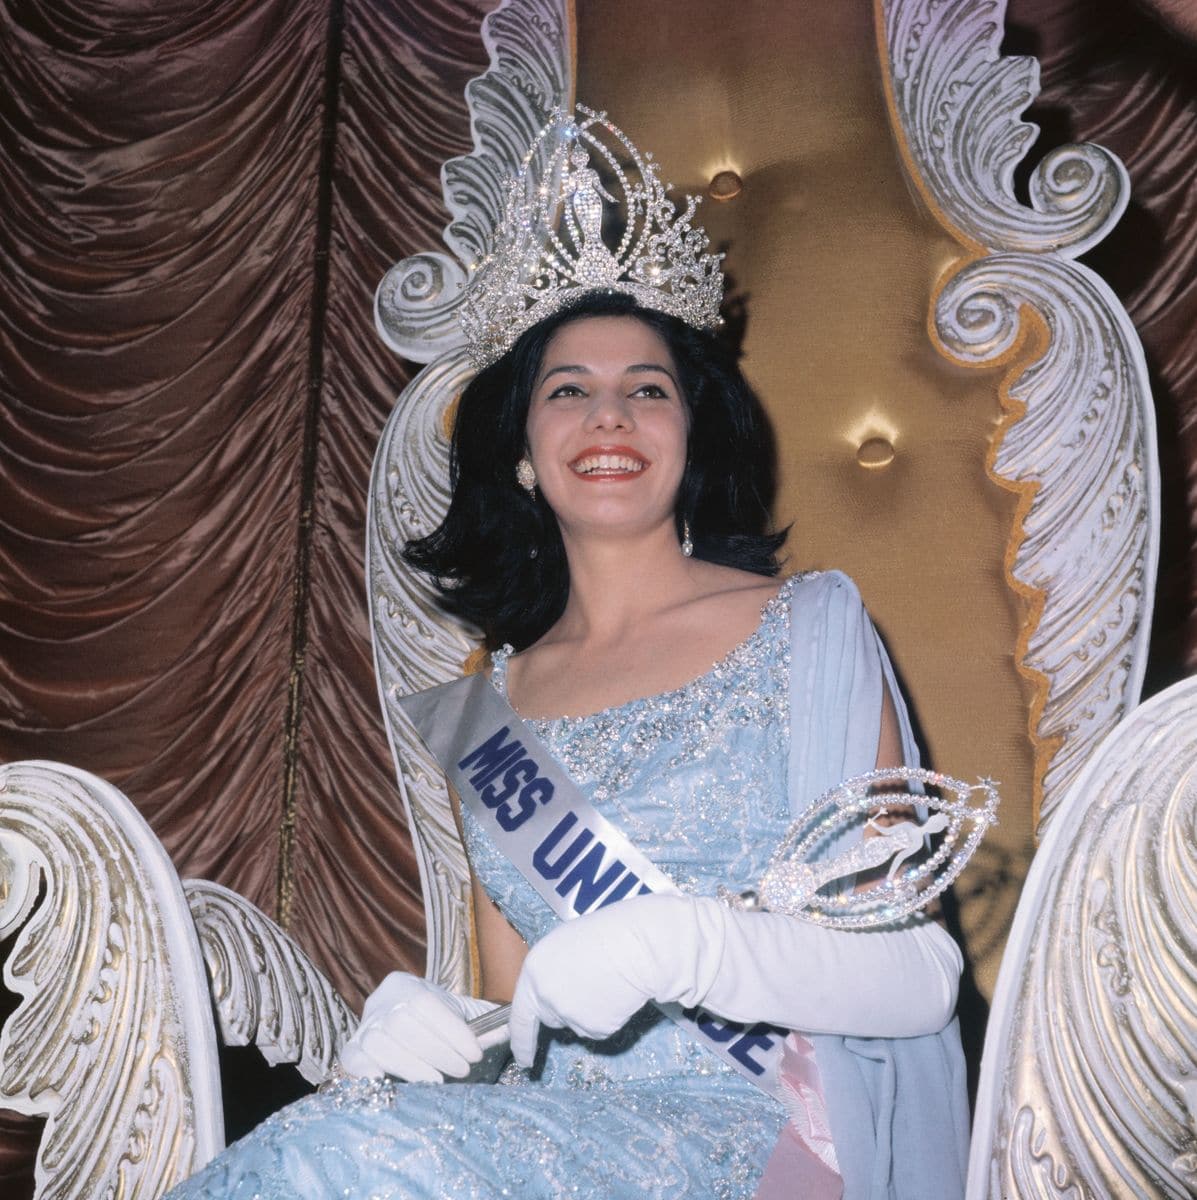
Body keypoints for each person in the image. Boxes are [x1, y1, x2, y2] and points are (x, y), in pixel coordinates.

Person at [167, 109, 970, 1200]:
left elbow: (916, 978)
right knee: (330, 1135)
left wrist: (682, 947)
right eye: (568, 390)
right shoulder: (484, 711)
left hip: (771, 1147)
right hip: (564, 1149)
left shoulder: (811, 630)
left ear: (690, 440)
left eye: (648, 388)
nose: (610, 414)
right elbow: (526, 1038)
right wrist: (408, 1042)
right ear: (527, 458)